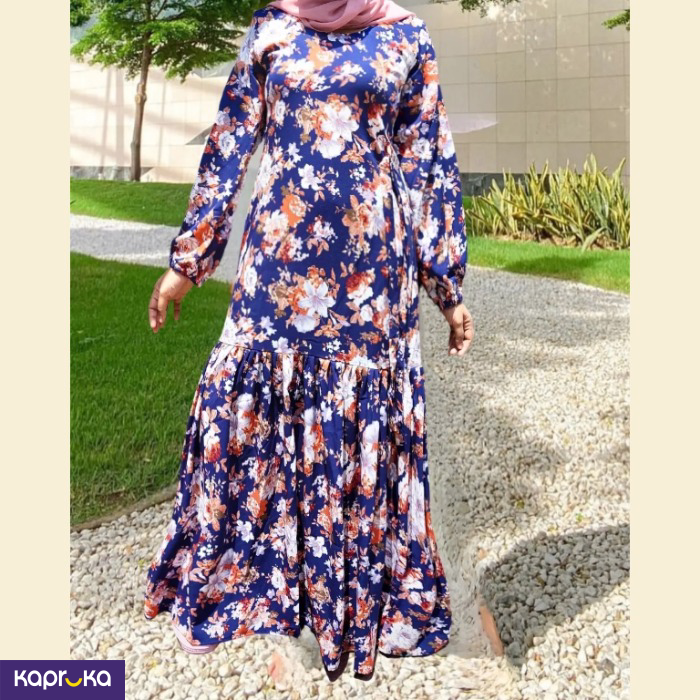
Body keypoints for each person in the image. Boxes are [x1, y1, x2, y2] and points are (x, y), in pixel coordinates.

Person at [143, 0, 475, 681]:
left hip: (373, 269)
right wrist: (189, 260)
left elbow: (428, 160)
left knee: (359, 422)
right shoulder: (272, 28)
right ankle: (249, 578)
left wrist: (446, 284)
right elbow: (230, 142)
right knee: (239, 405)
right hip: (278, 256)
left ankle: (355, 592)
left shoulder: (405, 35)